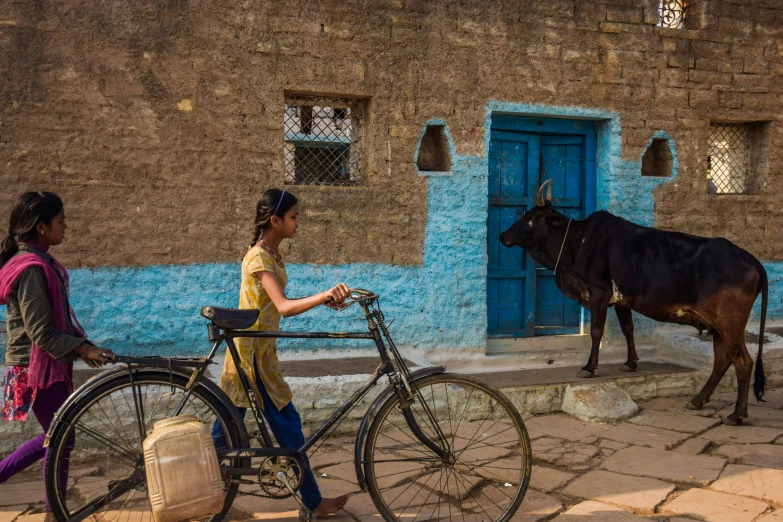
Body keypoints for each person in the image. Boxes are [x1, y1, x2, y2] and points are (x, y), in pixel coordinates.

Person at [213, 189, 350, 517]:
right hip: (252, 359)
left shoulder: (271, 255)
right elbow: (284, 307)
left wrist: (325, 301)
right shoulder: (260, 257)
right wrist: (323, 294)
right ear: (275, 221)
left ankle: (197, 485)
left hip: (258, 354)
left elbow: (277, 304)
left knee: (226, 431)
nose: (298, 222)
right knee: (285, 425)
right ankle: (314, 502)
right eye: (293, 216)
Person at [0, 192, 113, 521]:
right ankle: (53, 511)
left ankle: (55, 511)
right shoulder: (32, 270)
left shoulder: (43, 263)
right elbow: (41, 333)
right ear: (41, 227)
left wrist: (85, 344)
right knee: (59, 435)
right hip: (32, 368)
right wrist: (81, 347)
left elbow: (59, 319)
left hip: (46, 363)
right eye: (61, 221)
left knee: (60, 435)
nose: (66, 226)